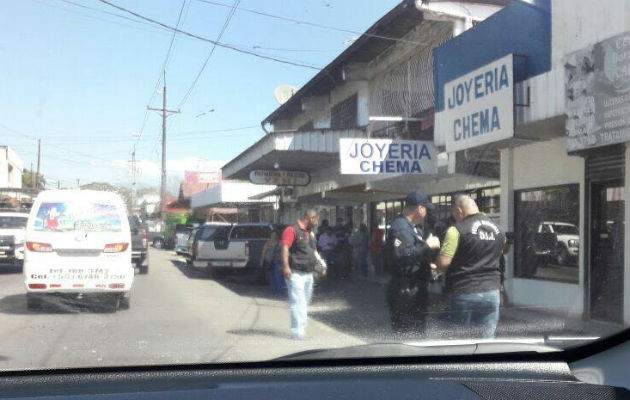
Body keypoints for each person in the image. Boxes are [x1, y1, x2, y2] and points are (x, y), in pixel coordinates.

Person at [435, 194, 506, 339]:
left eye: (455, 214)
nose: (455, 217)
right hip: (491, 292)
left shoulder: (456, 230)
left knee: (459, 341)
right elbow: (502, 251)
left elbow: (443, 263)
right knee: (485, 341)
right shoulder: (499, 230)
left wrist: (434, 265)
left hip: (464, 291)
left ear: (459, 210)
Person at [386, 189, 440, 333]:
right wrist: (427, 246)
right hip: (405, 291)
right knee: (408, 335)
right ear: (420, 209)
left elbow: (412, 255)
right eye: (426, 210)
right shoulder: (401, 228)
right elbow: (402, 255)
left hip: (413, 288)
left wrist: (428, 264)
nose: (427, 214)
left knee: (416, 332)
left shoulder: (412, 228)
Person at [281, 209, 322, 340]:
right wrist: (286, 266)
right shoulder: (292, 230)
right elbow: (285, 248)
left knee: (305, 302)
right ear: (311, 218)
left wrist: (321, 265)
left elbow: (314, 251)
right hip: (295, 273)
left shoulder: (311, 233)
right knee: (298, 302)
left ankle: (301, 329)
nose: (317, 222)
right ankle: (297, 332)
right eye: (317, 220)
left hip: (309, 273)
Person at [260, 230, 285, 296]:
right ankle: (275, 290)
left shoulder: (280, 242)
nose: (273, 236)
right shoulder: (268, 242)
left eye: (275, 234)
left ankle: (279, 291)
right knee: (271, 277)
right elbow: (264, 252)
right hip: (269, 262)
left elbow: (284, 251)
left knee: (278, 277)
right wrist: (261, 261)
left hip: (278, 261)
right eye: (272, 234)